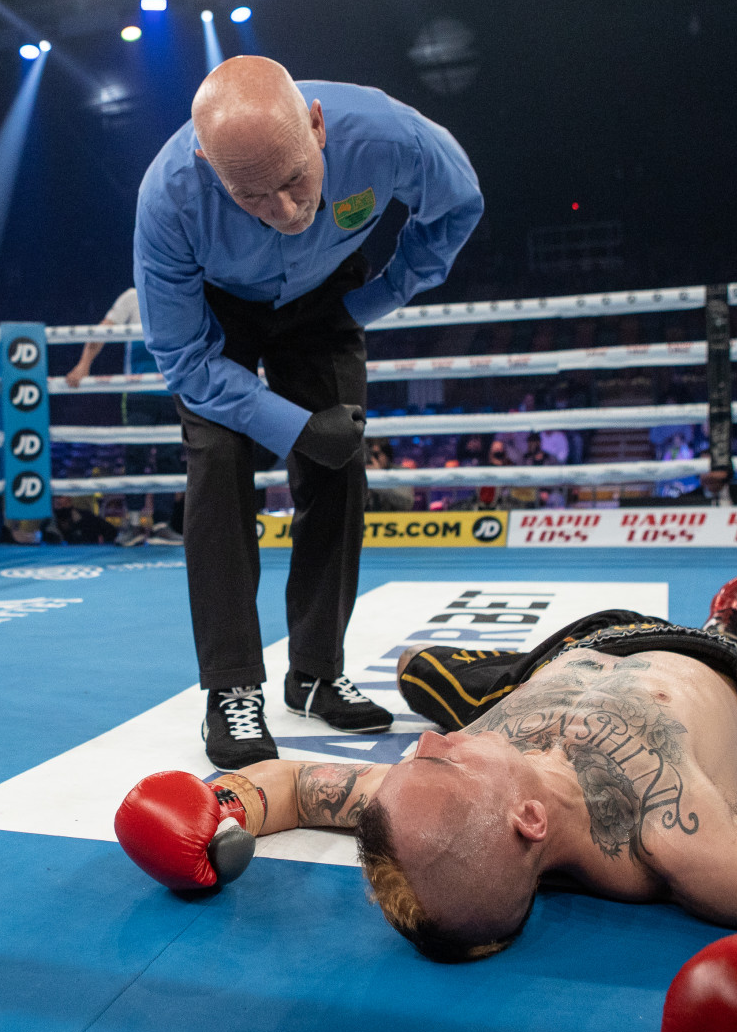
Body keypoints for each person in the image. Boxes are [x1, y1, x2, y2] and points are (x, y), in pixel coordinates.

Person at [116, 576, 737, 1032]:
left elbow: (285, 783)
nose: (428, 745)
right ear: (524, 820)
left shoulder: (424, 805)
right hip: (710, 666)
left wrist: (216, 809)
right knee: (736, 641)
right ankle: (728, 611)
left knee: (435, 672)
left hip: (568, 650)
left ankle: (531, 663)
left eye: (422, 755)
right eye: (447, 759)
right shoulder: (685, 838)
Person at [135, 56, 484, 769]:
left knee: (340, 462)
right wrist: (291, 427)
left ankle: (318, 670)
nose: (286, 212)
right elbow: (185, 362)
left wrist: (373, 299)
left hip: (329, 293)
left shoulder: (389, 138)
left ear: (318, 126)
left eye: (295, 180)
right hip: (218, 315)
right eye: (253, 198)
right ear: (208, 165)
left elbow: (460, 205)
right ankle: (231, 687)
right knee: (219, 461)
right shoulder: (167, 200)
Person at [65, 288, 185, 547]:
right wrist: (84, 364)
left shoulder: (180, 292)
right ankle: (132, 523)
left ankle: (162, 524)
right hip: (138, 393)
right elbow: (103, 330)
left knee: (170, 457)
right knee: (136, 455)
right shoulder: (133, 297)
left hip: (172, 391)